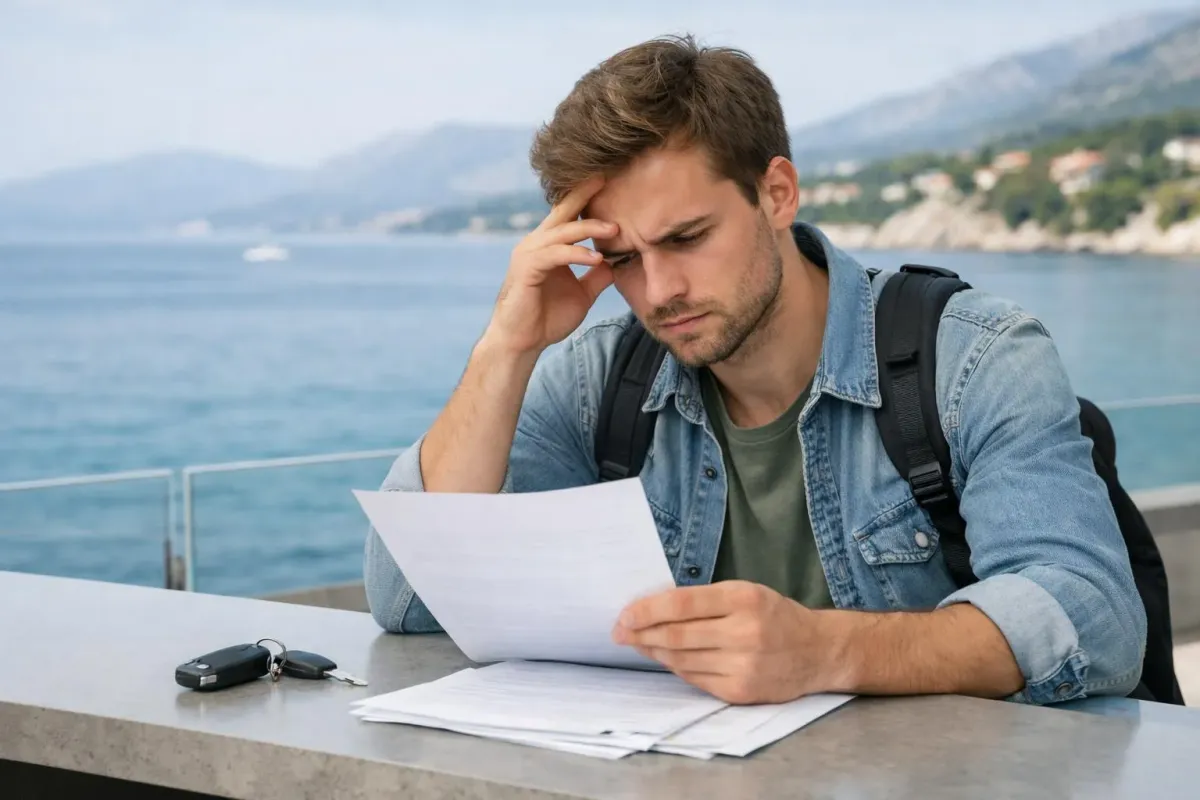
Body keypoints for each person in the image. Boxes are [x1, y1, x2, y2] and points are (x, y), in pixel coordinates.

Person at [363, 34, 1147, 706]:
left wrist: (828, 651)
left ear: (776, 193)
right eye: (623, 259)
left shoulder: (977, 357)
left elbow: (1092, 616)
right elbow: (407, 601)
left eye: (688, 237)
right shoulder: (593, 382)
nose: (659, 291)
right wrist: (506, 348)